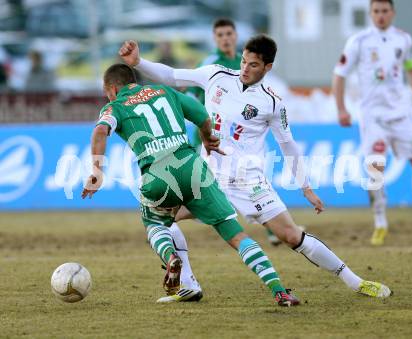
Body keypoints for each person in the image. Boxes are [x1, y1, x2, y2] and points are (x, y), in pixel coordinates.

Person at [119, 34, 392, 303]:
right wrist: (139, 62)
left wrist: (306, 188)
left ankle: (356, 282)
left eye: (253, 65)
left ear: (268, 67)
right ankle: (188, 285)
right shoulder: (216, 75)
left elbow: (288, 145)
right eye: (244, 62)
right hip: (207, 178)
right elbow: (172, 75)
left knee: (291, 235)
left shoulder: (272, 103)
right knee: (162, 221)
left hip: (248, 180)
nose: (245, 69)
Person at [81, 63, 300, 307]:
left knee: (155, 224)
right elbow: (204, 117)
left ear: (111, 89)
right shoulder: (166, 92)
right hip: (194, 168)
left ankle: (171, 257)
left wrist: (96, 172)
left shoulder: (115, 106)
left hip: (158, 174)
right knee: (236, 234)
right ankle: (279, 291)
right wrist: (207, 139)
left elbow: (100, 131)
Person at [332, 0, 412, 246]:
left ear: (393, 12)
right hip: (373, 117)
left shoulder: (403, 39)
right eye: (376, 11)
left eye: (384, 11)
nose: (380, 16)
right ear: (371, 14)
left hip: (401, 113)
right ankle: (380, 222)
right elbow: (339, 75)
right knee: (375, 167)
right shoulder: (358, 41)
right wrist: (341, 108)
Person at [188, 17, 282, 246]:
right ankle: (166, 222)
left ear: (235, 36)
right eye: (220, 35)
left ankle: (271, 228)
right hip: (209, 136)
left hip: (238, 136)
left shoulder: (246, 61)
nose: (225, 39)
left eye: (229, 34)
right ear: (215, 38)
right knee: (205, 191)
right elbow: (190, 97)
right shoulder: (211, 64)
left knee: (249, 182)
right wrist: (201, 124)